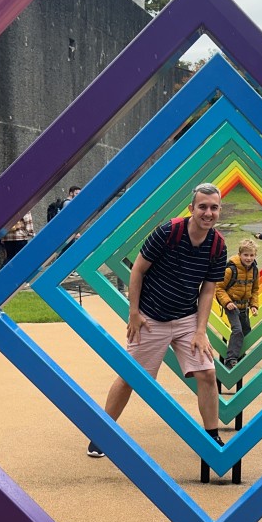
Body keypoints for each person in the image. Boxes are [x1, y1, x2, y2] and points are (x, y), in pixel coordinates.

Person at [87, 183, 228, 458]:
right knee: (129, 378)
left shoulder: (217, 245)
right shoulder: (168, 232)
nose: (208, 213)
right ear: (191, 209)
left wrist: (200, 331)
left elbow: (208, 290)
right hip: (152, 318)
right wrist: (134, 313)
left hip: (186, 318)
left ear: (219, 210)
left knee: (208, 373)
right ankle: (102, 433)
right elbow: (137, 270)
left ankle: (212, 436)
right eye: (202, 206)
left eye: (213, 207)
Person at [216, 239, 260, 369]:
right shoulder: (230, 270)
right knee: (237, 330)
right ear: (239, 254)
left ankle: (239, 354)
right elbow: (219, 288)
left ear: (255, 256)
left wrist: (254, 305)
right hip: (232, 306)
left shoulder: (255, 271)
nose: (249, 258)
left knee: (246, 330)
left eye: (251, 255)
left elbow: (255, 290)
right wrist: (227, 302)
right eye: (246, 255)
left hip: (244, 306)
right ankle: (230, 359)